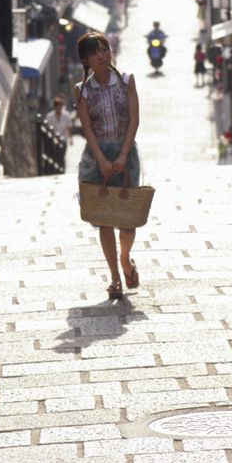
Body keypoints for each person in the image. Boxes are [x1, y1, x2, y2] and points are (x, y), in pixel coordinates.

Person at [74, 30, 141, 300]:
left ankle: (125, 258)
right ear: (86, 60)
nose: (101, 55)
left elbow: (134, 120)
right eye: (94, 52)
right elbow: (87, 129)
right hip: (96, 158)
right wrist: (101, 160)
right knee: (104, 222)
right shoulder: (82, 90)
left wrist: (123, 155)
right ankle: (114, 276)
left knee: (127, 222)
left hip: (126, 154)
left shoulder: (126, 81)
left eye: (104, 49)